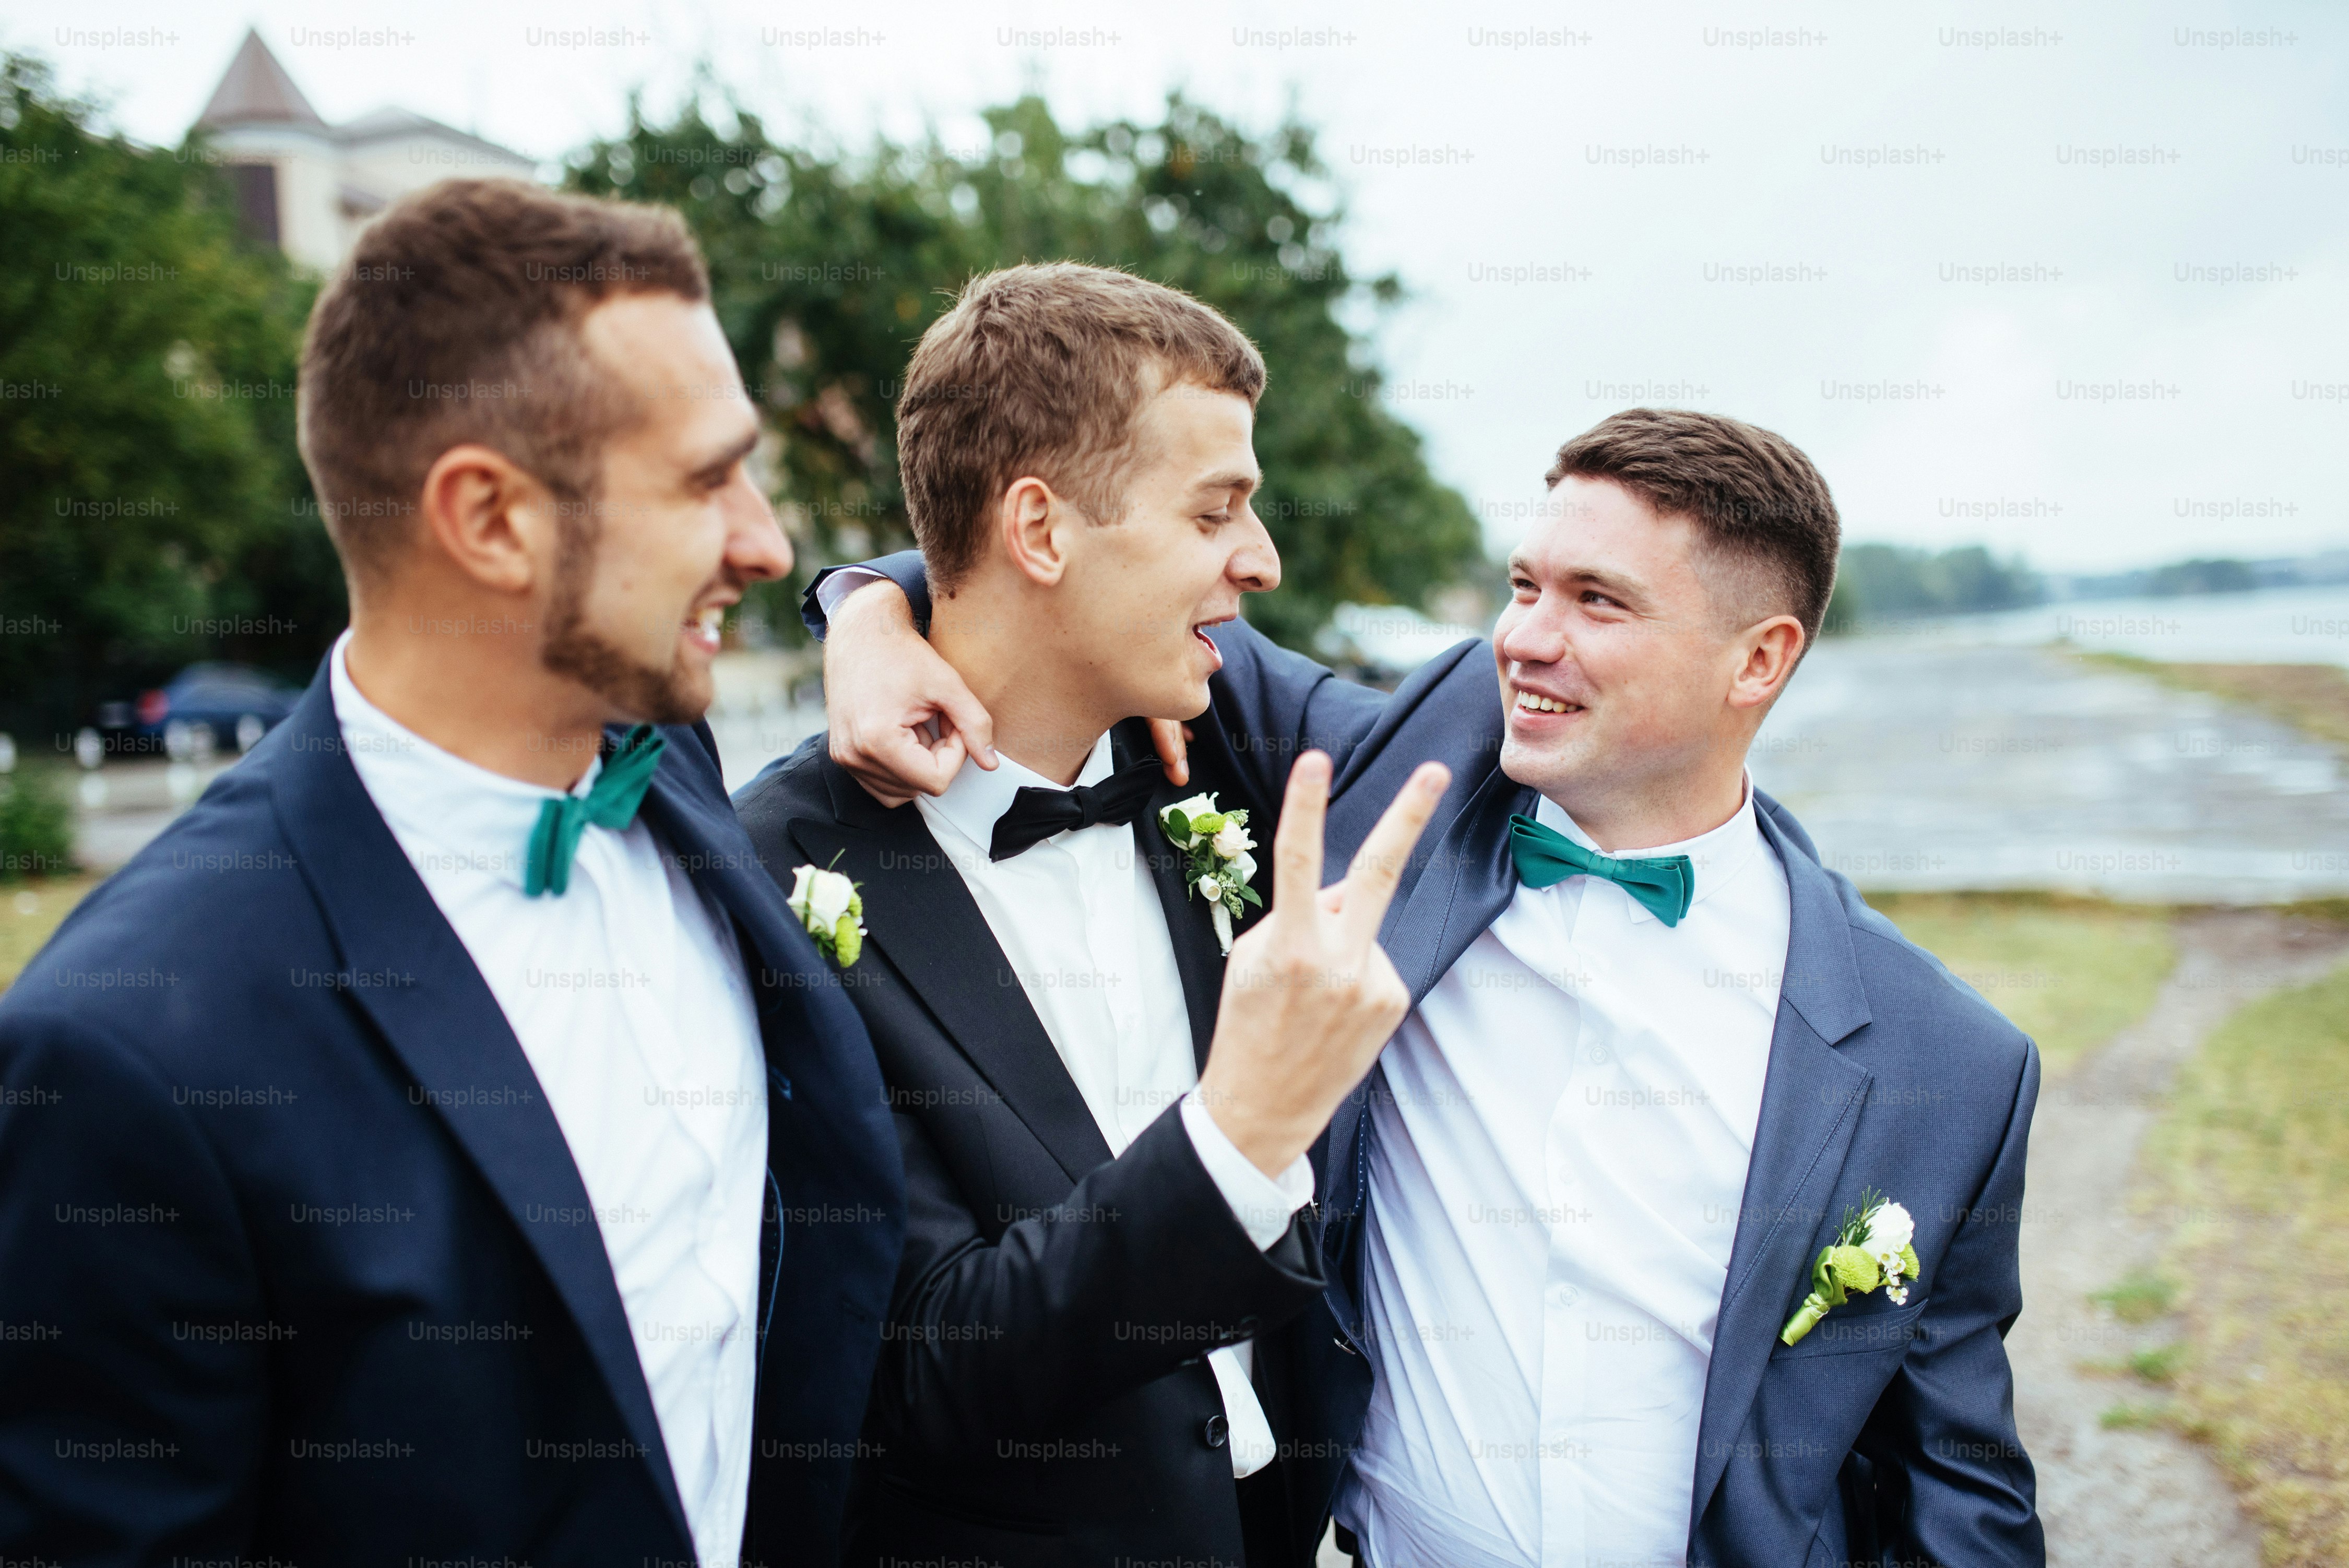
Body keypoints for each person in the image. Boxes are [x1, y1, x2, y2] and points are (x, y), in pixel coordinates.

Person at [814, 406, 2046, 1566]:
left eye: (1597, 602)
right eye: (1524, 586)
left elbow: (1959, 1481)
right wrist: (867, 609)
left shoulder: (1948, 1065)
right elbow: (1062, 570)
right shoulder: (1410, 765)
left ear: (1760, 659)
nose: (1523, 637)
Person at [0, 180, 901, 1568]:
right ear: (488, 518)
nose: (770, 542)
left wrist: (878, 600)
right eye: (706, 478)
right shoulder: (128, 1050)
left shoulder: (671, 765)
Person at [734, 263, 1449, 1568]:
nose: (1263, 559)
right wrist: (1243, 1132)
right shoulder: (776, 875)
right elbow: (915, 1380)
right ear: (1045, 532)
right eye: (1215, 510)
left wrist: (867, 595)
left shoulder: (1215, 757)